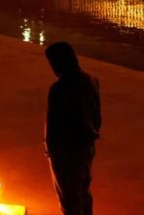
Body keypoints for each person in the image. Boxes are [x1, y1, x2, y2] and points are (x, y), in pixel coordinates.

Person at [44, 41, 101, 215]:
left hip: (65, 151)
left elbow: (53, 124)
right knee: (83, 192)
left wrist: (50, 151)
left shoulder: (59, 88)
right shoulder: (92, 80)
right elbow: (97, 115)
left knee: (69, 198)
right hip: (86, 145)